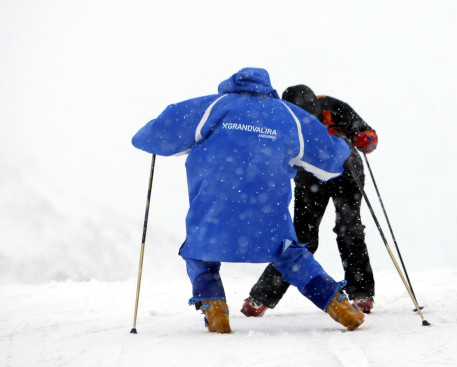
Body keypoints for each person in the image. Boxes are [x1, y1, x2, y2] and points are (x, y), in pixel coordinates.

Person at [131, 68, 365, 333]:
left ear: (233, 84)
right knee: (291, 256)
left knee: (198, 250)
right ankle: (339, 305)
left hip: (214, 206)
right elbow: (330, 162)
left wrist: (150, 134)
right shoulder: (288, 115)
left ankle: (215, 307)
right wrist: (344, 146)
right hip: (267, 207)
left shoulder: (213, 106)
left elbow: (160, 133)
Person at [241, 85, 378, 317]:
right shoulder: (282, 118)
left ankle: (361, 292)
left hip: (347, 171)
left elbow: (369, 137)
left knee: (349, 228)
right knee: (301, 237)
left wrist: (364, 139)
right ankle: (261, 297)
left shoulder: (333, 107)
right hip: (310, 175)